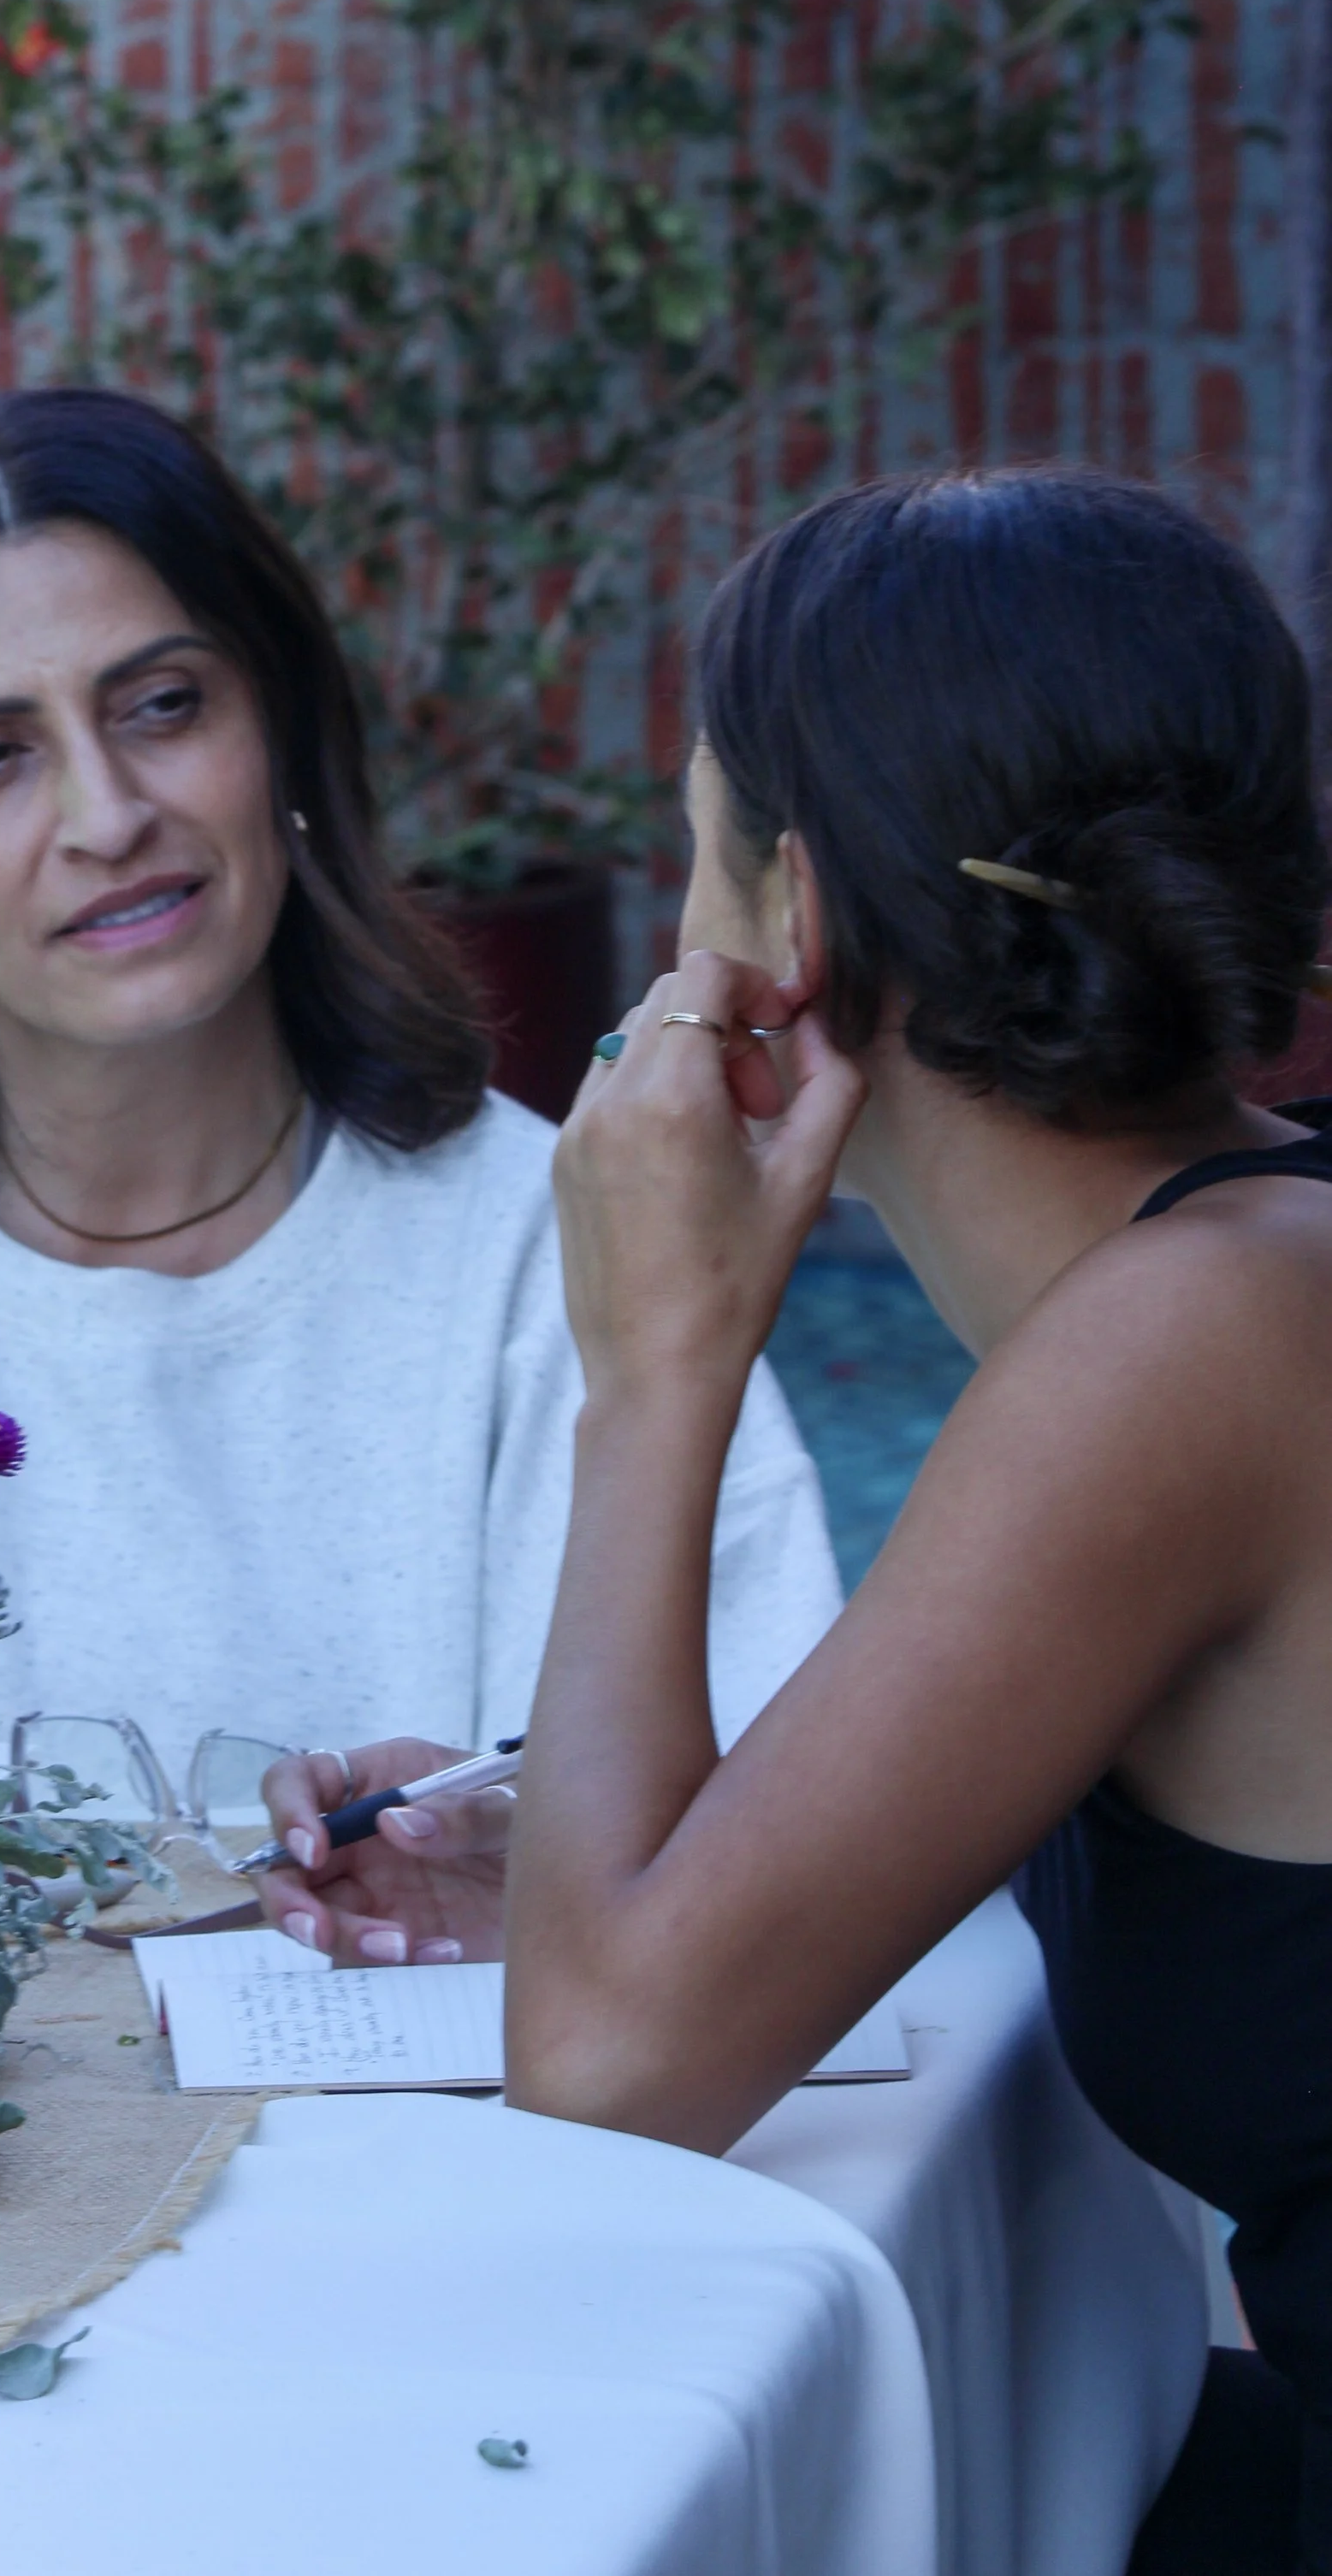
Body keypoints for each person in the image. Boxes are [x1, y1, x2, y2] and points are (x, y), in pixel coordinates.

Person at [257, 465, 1332, 2572]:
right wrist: (575, 1855)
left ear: (792, 930)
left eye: (690, 853)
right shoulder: (1239, 1271)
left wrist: (655, 1359)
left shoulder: (1180, 1353)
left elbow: (608, 2075)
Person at [0, 388, 838, 1813]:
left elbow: (769, 1839)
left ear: (284, 736)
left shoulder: (543, 1247)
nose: (109, 814)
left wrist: (493, 1862)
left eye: (164, 705)